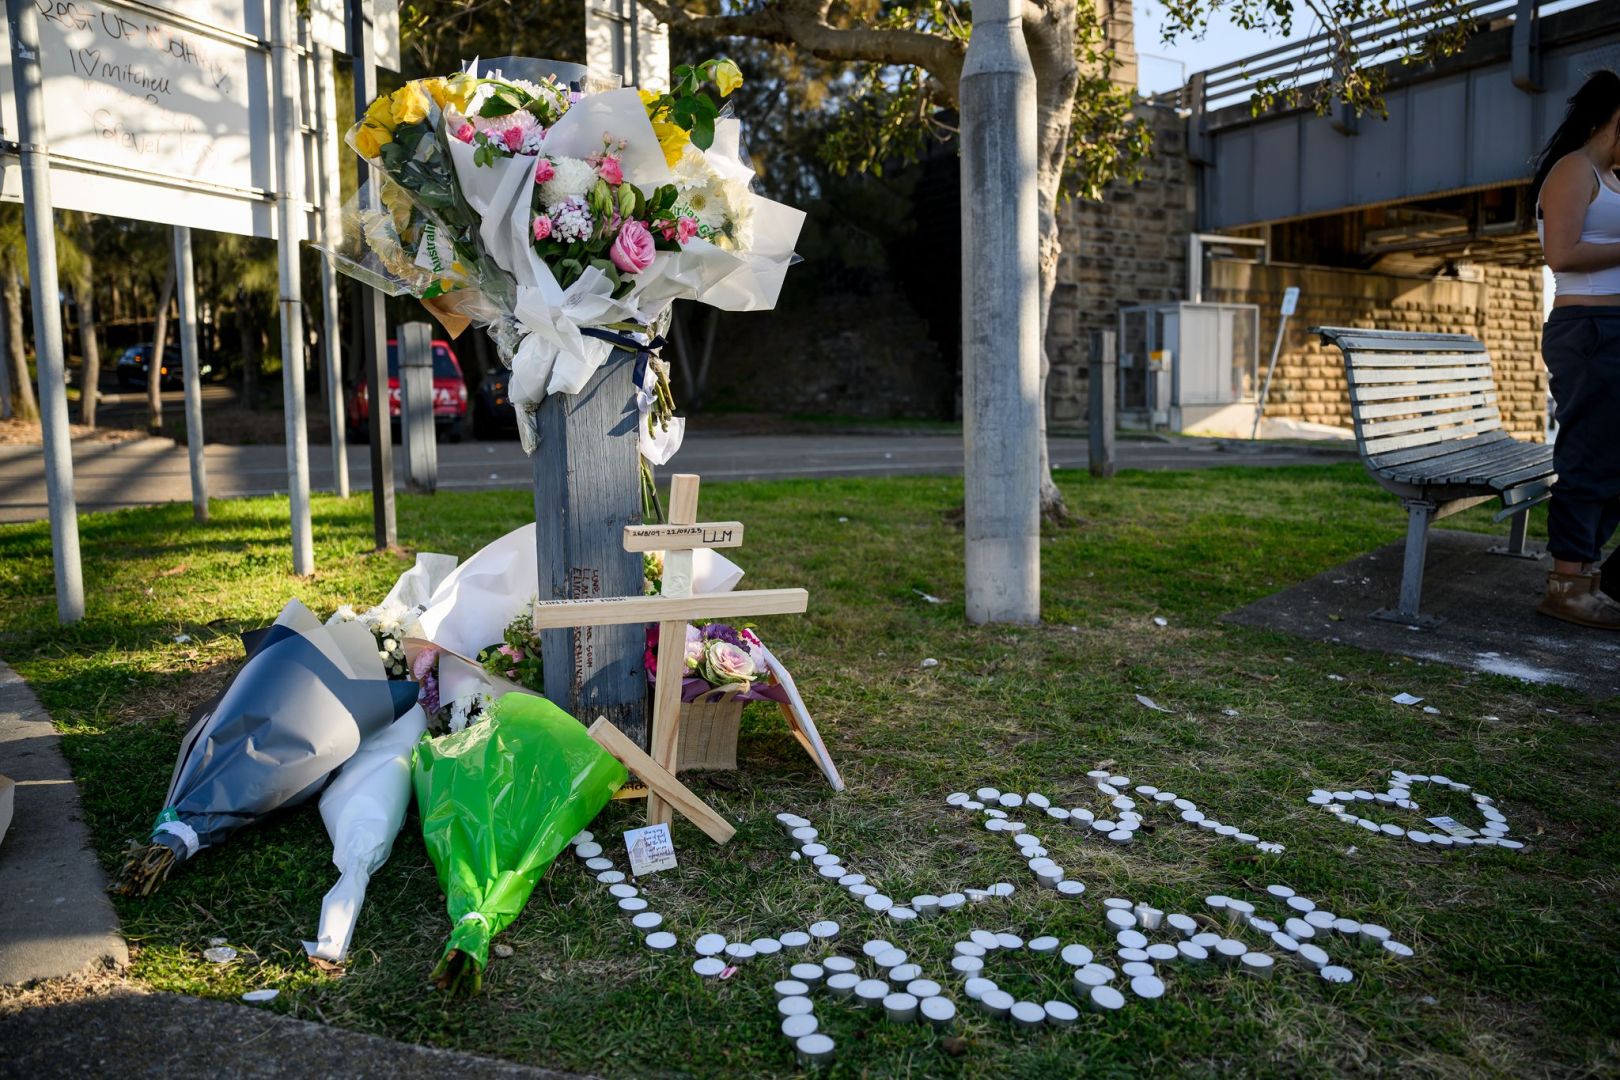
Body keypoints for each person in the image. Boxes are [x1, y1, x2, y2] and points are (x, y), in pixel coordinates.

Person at [1533, 69, 1620, 629]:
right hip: (1588, 330)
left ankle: (1596, 579)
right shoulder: (1575, 170)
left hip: (1613, 331)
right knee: (1588, 455)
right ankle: (1567, 585)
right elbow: (1560, 255)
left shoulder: (1614, 177)